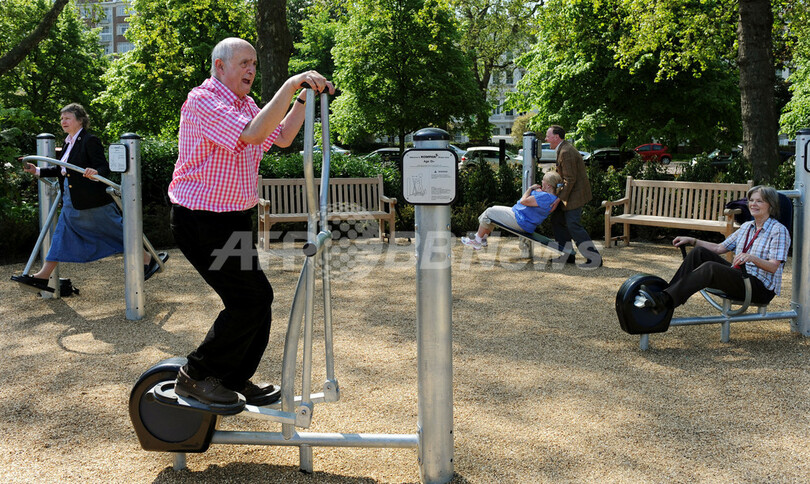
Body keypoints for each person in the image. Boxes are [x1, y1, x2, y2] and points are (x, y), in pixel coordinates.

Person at [168, 37, 334, 408]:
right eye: (243, 62)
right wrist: (291, 83)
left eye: (254, 64)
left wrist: (304, 97)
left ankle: (231, 378)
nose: (251, 69)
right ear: (219, 66)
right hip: (202, 218)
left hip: (234, 218)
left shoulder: (246, 105)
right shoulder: (204, 99)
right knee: (250, 299)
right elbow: (254, 135)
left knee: (256, 299)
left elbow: (284, 136)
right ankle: (196, 375)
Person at [11, 103, 163, 293]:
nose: (63, 122)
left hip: (92, 201)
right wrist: (38, 170)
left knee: (118, 231)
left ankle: (148, 259)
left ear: (80, 120)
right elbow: (63, 169)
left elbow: (103, 167)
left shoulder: (89, 140)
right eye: (61, 119)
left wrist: (95, 171)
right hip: (72, 201)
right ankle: (43, 276)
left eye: (67, 118)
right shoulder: (68, 141)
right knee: (61, 236)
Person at [642, 186, 791, 313]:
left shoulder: (778, 230)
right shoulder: (747, 226)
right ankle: (664, 294)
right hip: (741, 275)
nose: (753, 204)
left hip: (759, 287)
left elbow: (773, 267)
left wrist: (751, 258)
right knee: (698, 253)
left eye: (759, 201)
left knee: (710, 268)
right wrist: (692, 240)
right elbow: (720, 248)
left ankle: (665, 300)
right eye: (751, 200)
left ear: (770, 205)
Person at [545, 125, 602, 267]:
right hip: (570, 193)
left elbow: (570, 179)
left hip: (575, 196)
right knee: (557, 221)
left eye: (548, 136)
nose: (546, 139)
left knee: (573, 225)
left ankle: (594, 259)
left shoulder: (566, 152)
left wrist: (559, 198)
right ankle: (567, 256)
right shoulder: (563, 149)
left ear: (556, 137)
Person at [461, 171, 563, 249]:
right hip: (522, 219)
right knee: (491, 212)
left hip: (520, 220)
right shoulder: (552, 197)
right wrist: (537, 192)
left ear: (548, 185)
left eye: (543, 181)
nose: (541, 182)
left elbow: (524, 201)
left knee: (489, 212)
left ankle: (477, 240)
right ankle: (482, 238)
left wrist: (530, 189)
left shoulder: (545, 197)